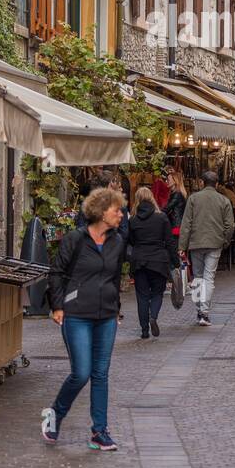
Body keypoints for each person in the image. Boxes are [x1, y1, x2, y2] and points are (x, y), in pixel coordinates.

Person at [41, 187, 126, 451]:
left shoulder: (117, 242)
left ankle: (99, 431)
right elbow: (56, 273)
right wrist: (57, 306)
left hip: (106, 316)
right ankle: (56, 413)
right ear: (101, 213)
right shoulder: (75, 240)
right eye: (116, 210)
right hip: (76, 314)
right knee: (81, 373)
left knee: (100, 374)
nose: (121, 215)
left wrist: (116, 308)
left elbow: (114, 277)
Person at [178, 169, 234, 325]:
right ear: (216, 184)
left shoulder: (193, 199)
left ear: (202, 183)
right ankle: (204, 312)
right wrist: (225, 240)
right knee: (209, 277)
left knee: (198, 277)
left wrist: (182, 245)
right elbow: (229, 226)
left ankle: (199, 310)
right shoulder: (224, 201)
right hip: (215, 243)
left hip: (196, 243)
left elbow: (186, 223)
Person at [127, 186, 180, 340]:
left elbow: (130, 241)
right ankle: (154, 317)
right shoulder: (161, 217)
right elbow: (169, 242)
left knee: (142, 296)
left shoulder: (133, 220)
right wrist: (175, 262)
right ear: (152, 198)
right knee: (157, 293)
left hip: (139, 261)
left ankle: (144, 330)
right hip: (159, 260)